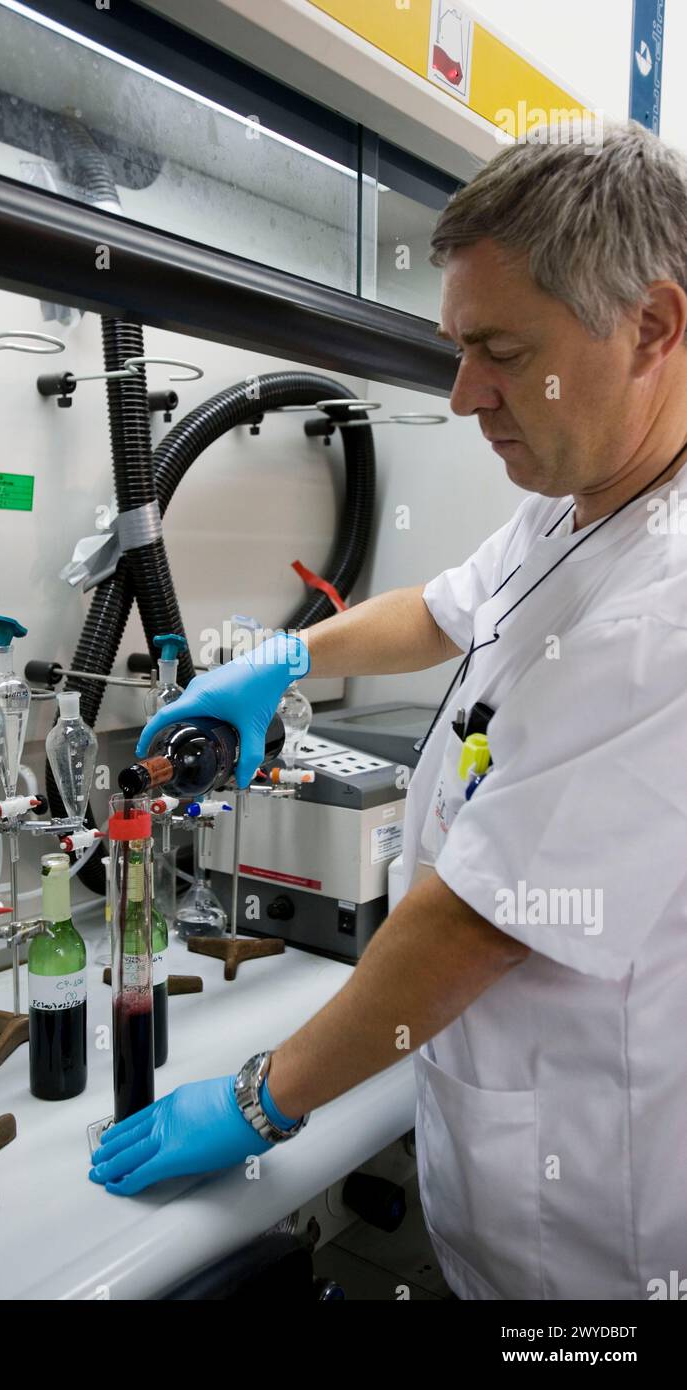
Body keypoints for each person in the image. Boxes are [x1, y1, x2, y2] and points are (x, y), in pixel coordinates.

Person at [89, 122, 687, 1301]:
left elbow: (474, 923)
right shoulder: (585, 497)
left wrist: (264, 1094)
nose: (464, 395)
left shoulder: (663, 608)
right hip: (504, 1132)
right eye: (455, 348)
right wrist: (275, 663)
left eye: (500, 351)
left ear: (652, 327)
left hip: (601, 1221)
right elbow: (442, 607)